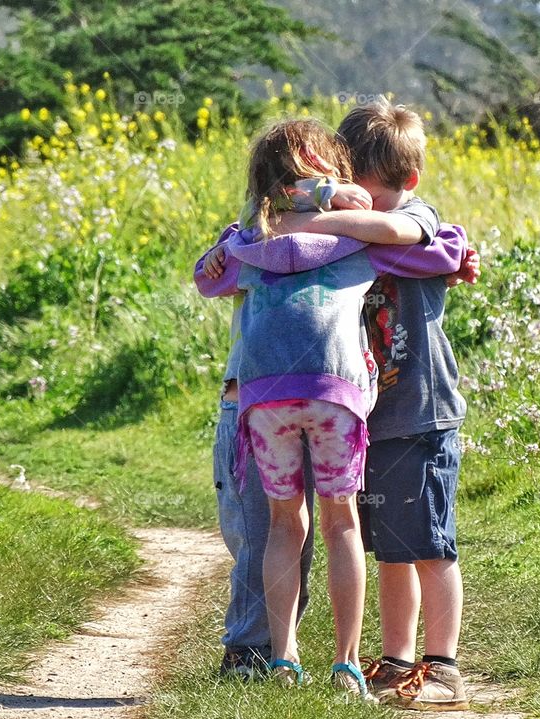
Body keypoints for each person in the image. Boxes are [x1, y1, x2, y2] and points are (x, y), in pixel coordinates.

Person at [197, 118, 469, 701]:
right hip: (340, 397)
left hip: (267, 399)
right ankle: (349, 663)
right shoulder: (360, 244)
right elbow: (439, 253)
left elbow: (208, 279)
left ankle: (282, 658)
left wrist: (233, 245)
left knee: (282, 525)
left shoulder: (252, 240)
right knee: (346, 525)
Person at [194, 226, 316, 682]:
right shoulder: (248, 240)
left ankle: (277, 649)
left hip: (310, 400)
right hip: (247, 401)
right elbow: (210, 278)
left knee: (295, 538)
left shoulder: (339, 238)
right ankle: (246, 652)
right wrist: (217, 253)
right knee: (255, 531)